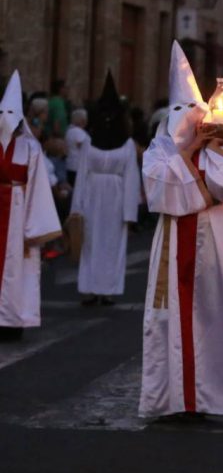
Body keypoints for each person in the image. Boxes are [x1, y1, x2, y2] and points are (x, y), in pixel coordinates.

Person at [138, 41, 223, 419]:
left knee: (211, 314)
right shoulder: (157, 152)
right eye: (178, 110)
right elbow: (161, 194)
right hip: (173, 238)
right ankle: (172, 397)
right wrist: (189, 153)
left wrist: (204, 157)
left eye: (193, 110)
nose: (186, 118)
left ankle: (208, 395)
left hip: (212, 239)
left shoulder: (221, 149)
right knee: (171, 317)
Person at [69, 72, 141, 306]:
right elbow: (82, 174)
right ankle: (92, 288)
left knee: (110, 242)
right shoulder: (92, 141)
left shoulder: (124, 143)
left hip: (108, 195)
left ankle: (106, 289)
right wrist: (77, 208)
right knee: (92, 241)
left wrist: (130, 213)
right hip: (99, 194)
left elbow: (131, 178)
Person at [0, 71, 62, 341]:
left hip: (18, 213)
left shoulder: (30, 148)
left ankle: (12, 320)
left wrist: (34, 227)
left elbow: (37, 188)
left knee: (17, 270)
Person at [64, 108, 89, 186]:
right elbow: (81, 145)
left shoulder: (70, 130)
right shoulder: (77, 132)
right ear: (82, 120)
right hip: (77, 167)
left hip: (71, 165)